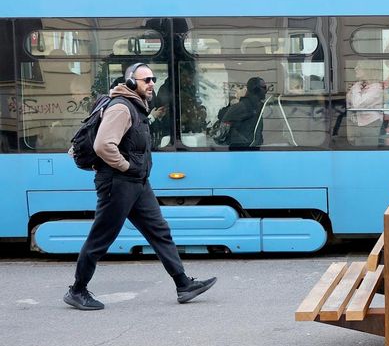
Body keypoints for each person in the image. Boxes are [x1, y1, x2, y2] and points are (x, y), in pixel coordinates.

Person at [63, 63, 216, 311]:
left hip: (137, 183)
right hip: (117, 183)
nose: (152, 83)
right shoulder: (122, 107)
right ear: (132, 82)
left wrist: (134, 171)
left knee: (159, 231)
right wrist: (125, 167)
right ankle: (77, 290)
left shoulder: (138, 107)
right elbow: (103, 145)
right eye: (146, 80)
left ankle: (183, 284)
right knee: (101, 237)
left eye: (153, 79)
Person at [219, 77, 268, 149]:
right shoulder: (242, 107)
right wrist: (244, 142)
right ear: (255, 89)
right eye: (264, 87)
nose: (266, 91)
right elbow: (222, 131)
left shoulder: (257, 106)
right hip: (242, 150)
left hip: (253, 148)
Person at [346, 61, 384, 146]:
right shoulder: (361, 86)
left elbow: (358, 105)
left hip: (371, 124)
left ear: (368, 70)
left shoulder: (376, 88)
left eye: (359, 67)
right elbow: (348, 103)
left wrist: (355, 88)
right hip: (358, 124)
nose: (355, 69)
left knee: (368, 151)